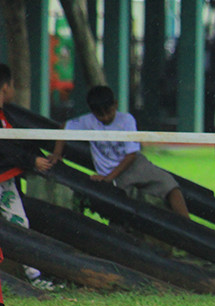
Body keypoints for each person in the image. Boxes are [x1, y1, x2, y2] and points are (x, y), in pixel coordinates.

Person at [62, 86, 189, 218]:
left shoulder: (126, 120)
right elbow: (64, 127)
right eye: (100, 115)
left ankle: (187, 224)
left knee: (169, 184)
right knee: (121, 209)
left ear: (115, 105)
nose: (105, 117)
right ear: (92, 112)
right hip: (110, 174)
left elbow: (131, 155)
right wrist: (56, 155)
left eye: (108, 112)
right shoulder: (88, 121)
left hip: (132, 165)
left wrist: (109, 178)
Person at [0, 63, 60, 290]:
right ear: (6, 87)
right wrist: (31, 160)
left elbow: (17, 141)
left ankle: (33, 273)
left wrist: (35, 156)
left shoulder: (5, 116)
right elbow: (5, 148)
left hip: (5, 178)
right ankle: (33, 275)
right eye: (13, 84)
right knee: (18, 222)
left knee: (19, 221)